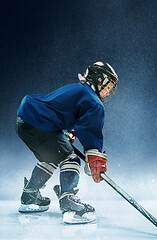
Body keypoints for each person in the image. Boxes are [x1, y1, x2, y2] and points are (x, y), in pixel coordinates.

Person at [15, 61, 118, 224]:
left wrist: (68, 135)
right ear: (99, 80)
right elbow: (89, 130)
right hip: (39, 122)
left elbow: (62, 111)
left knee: (53, 156)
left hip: (25, 121)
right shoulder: (94, 101)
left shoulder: (80, 90)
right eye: (108, 86)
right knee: (71, 158)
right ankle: (69, 204)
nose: (108, 92)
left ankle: (30, 195)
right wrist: (95, 156)